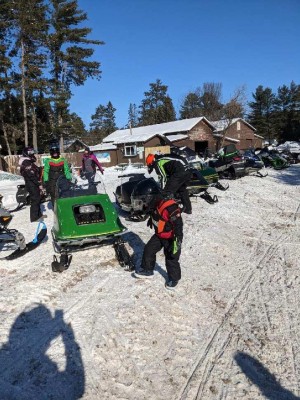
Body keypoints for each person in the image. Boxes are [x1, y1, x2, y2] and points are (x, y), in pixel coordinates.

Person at [134, 193, 183, 290]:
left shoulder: (170, 208)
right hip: (159, 235)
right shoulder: (155, 203)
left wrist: (176, 242)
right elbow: (154, 213)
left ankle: (174, 279)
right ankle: (148, 270)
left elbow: (178, 226)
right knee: (149, 249)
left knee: (171, 258)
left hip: (171, 238)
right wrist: (151, 219)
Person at [19, 147, 44, 222]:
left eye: (32, 152)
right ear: (27, 153)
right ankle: (34, 218)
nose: (32, 154)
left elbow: (34, 171)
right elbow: (31, 174)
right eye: (30, 152)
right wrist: (38, 183)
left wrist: (40, 168)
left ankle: (39, 215)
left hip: (33, 183)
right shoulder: (26, 162)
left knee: (38, 199)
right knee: (35, 200)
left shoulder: (29, 162)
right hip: (31, 184)